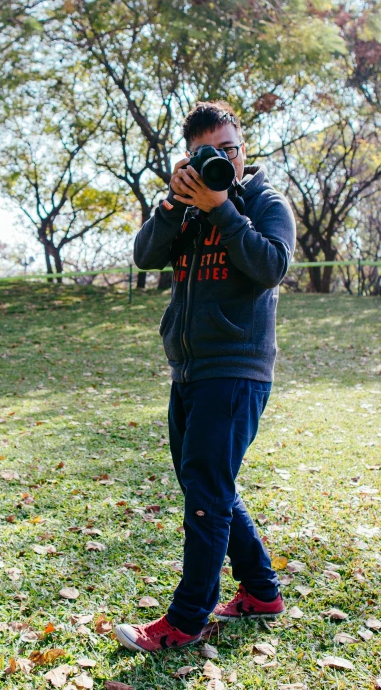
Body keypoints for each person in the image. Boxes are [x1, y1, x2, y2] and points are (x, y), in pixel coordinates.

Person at [114, 101, 297, 653]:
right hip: (188, 369)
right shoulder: (185, 206)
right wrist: (174, 203)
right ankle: (262, 591)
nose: (223, 160)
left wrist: (221, 208)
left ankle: (186, 620)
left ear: (243, 149)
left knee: (206, 489)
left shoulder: (267, 202)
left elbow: (270, 266)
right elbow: (144, 255)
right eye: (207, 154)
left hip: (237, 368)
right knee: (208, 486)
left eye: (229, 149)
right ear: (190, 156)